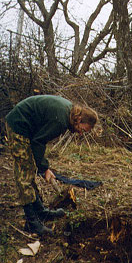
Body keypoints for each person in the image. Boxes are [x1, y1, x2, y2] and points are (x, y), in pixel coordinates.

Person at [5, 94, 98, 236]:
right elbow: (38, 142)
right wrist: (44, 168)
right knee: (24, 174)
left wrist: (42, 166)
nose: (80, 133)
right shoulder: (60, 121)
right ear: (79, 119)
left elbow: (38, 140)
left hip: (27, 128)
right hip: (18, 126)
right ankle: (32, 224)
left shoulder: (69, 112)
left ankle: (41, 212)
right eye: (82, 129)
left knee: (30, 169)